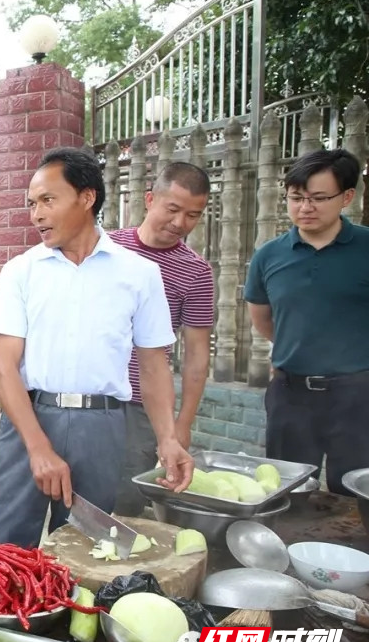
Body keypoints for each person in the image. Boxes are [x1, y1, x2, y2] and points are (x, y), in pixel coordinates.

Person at [0, 148, 194, 548]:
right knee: (7, 550)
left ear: (86, 198)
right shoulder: (20, 272)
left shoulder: (139, 274)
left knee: (88, 550)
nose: (36, 214)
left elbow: (153, 366)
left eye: (48, 200)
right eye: (31, 204)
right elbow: (4, 369)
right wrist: (38, 447)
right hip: (30, 418)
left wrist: (168, 438)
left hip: (103, 426)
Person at [245, 149, 369, 494]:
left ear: (346, 196)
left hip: (357, 397)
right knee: (289, 491)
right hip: (291, 394)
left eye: (318, 198)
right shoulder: (269, 255)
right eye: (296, 198)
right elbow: (263, 318)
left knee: (357, 494)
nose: (305, 207)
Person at [110, 162, 215, 515]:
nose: (180, 223)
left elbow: (197, 356)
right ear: (150, 199)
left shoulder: (197, 271)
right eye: (173, 209)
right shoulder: (106, 248)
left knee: (127, 502)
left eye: (193, 215)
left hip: (142, 405)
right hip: (90, 396)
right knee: (75, 497)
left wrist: (179, 426)